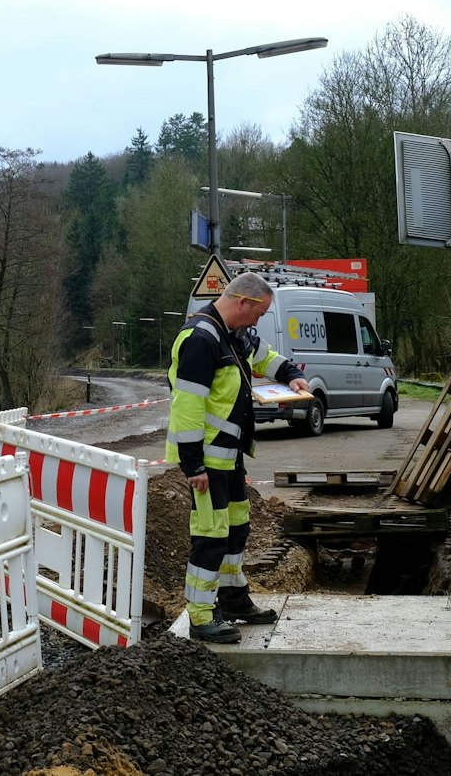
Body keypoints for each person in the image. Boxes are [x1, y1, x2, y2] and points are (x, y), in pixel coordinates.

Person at [165, 271, 311, 644]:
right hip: (208, 462)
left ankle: (232, 599)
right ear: (243, 303)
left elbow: (264, 357)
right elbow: (187, 407)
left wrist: (292, 374)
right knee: (210, 537)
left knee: (236, 528)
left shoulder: (234, 333)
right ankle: (200, 616)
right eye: (259, 313)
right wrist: (193, 464)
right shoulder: (199, 340)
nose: (258, 321)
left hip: (229, 457)